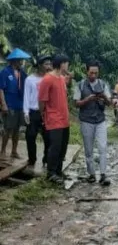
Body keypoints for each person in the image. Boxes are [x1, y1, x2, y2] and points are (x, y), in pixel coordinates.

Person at [73, 61, 111, 186]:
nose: (93, 75)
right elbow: (76, 103)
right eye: (91, 73)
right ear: (86, 71)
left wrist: (103, 97)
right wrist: (87, 99)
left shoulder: (103, 84)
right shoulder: (80, 85)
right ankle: (91, 174)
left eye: (96, 73)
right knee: (88, 150)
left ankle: (103, 174)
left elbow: (109, 102)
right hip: (86, 120)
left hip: (100, 120)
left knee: (102, 147)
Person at [38, 55, 71, 185]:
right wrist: (42, 114)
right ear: (61, 64)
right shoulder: (47, 79)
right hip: (53, 118)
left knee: (63, 146)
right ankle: (51, 173)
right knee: (55, 147)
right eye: (67, 64)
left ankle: (58, 171)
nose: (68, 66)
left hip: (64, 118)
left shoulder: (62, 78)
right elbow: (42, 100)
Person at [0, 49, 29, 159]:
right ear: (13, 61)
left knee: (17, 129)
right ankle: (2, 151)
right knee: (8, 128)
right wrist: (3, 104)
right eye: (19, 61)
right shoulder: (5, 72)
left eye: (21, 60)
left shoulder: (22, 73)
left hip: (20, 104)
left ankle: (14, 151)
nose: (21, 63)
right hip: (9, 104)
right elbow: (1, 89)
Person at [24, 55, 52, 166]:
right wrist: (26, 112)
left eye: (50, 64)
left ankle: (46, 158)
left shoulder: (50, 79)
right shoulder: (30, 79)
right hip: (34, 111)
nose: (48, 66)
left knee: (48, 137)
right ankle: (32, 159)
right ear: (39, 65)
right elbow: (26, 96)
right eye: (46, 64)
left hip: (46, 112)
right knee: (30, 137)